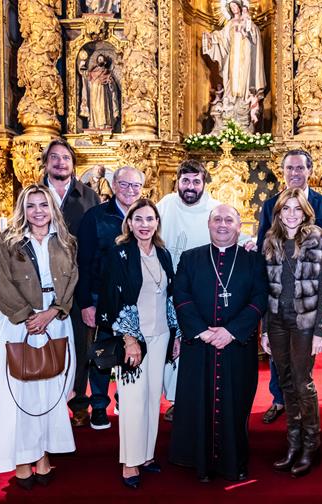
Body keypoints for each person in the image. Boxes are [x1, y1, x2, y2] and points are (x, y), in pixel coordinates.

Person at [0, 185, 78, 489]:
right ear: (23, 209)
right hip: (18, 324)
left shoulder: (66, 242)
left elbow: (72, 278)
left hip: (55, 322)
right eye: (31, 206)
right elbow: (1, 284)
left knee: (51, 391)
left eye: (43, 205)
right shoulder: (8, 242)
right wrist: (27, 316)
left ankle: (44, 456)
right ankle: (22, 460)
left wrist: (54, 312)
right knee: (20, 395)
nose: (38, 212)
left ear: (52, 209)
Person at [170, 204, 267, 482]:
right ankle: (197, 461)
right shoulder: (191, 258)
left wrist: (231, 332)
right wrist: (202, 331)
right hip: (199, 346)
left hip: (237, 346)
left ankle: (232, 462)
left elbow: (260, 298)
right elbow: (181, 295)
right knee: (197, 402)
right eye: (217, 220)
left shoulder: (253, 260)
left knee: (235, 403)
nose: (222, 225)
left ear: (240, 226)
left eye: (229, 220)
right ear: (208, 225)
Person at [95, 199, 180, 489]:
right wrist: (128, 338)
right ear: (129, 223)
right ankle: (130, 462)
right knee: (132, 400)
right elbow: (110, 299)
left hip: (161, 337)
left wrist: (176, 334)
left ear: (157, 223)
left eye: (150, 219)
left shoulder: (164, 254)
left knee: (152, 396)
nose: (145, 225)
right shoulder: (119, 254)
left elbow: (170, 296)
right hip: (133, 338)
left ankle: (146, 455)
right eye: (139, 219)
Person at [257, 149, 322, 424]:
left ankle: (303, 413)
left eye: (299, 168)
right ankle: (279, 399)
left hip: (310, 297)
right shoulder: (271, 205)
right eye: (289, 169)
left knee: (303, 364)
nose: (294, 173)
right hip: (280, 299)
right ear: (283, 172)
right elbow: (263, 250)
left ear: (309, 171)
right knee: (277, 358)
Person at [260, 188, 322, 477]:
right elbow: (267, 290)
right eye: (286, 209)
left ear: (305, 212)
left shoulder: (318, 240)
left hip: (305, 323)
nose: (292, 214)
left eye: (297, 209)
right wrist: (265, 329)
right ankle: (292, 443)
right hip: (277, 321)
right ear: (278, 213)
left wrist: (320, 331)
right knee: (286, 381)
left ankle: (311, 444)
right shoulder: (272, 241)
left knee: (303, 382)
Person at [75, 165, 145, 430]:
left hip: (135, 296)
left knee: (132, 348)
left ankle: (124, 399)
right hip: (100, 295)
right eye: (124, 185)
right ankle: (100, 405)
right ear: (114, 186)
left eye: (136, 186)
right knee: (103, 351)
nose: (130, 191)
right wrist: (86, 302)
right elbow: (82, 262)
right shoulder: (95, 217)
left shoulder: (145, 216)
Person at [39, 138, 101, 429]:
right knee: (45, 344)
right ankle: (46, 405)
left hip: (78, 285)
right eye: (55, 157)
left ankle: (78, 403)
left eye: (66, 158)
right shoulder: (35, 195)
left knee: (80, 345)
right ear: (46, 162)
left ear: (73, 164)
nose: (60, 162)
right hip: (42, 284)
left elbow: (97, 246)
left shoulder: (88, 196)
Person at [156, 160, 224, 421]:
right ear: (177, 182)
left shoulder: (215, 209)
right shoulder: (166, 205)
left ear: (204, 183)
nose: (190, 186)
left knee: (194, 346)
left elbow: (230, 235)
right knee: (172, 345)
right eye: (185, 181)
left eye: (196, 181)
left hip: (203, 292)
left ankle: (195, 398)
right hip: (168, 288)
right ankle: (174, 400)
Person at [202, 0, 266, 114]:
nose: (234, 9)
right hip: (232, 55)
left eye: (235, 6)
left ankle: (244, 101)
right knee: (232, 75)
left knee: (244, 75)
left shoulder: (247, 19)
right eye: (231, 7)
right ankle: (231, 101)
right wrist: (211, 37)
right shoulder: (230, 23)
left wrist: (249, 27)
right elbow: (222, 37)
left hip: (245, 54)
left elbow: (254, 34)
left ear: (240, 6)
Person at [79, 53, 120, 130]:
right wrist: (82, 62)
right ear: (97, 61)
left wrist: (110, 82)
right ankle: (94, 124)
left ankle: (105, 124)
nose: (100, 61)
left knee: (103, 106)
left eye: (101, 59)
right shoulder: (93, 72)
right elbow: (84, 73)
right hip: (94, 90)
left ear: (104, 62)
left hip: (103, 91)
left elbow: (113, 87)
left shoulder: (107, 73)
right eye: (99, 59)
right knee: (94, 107)